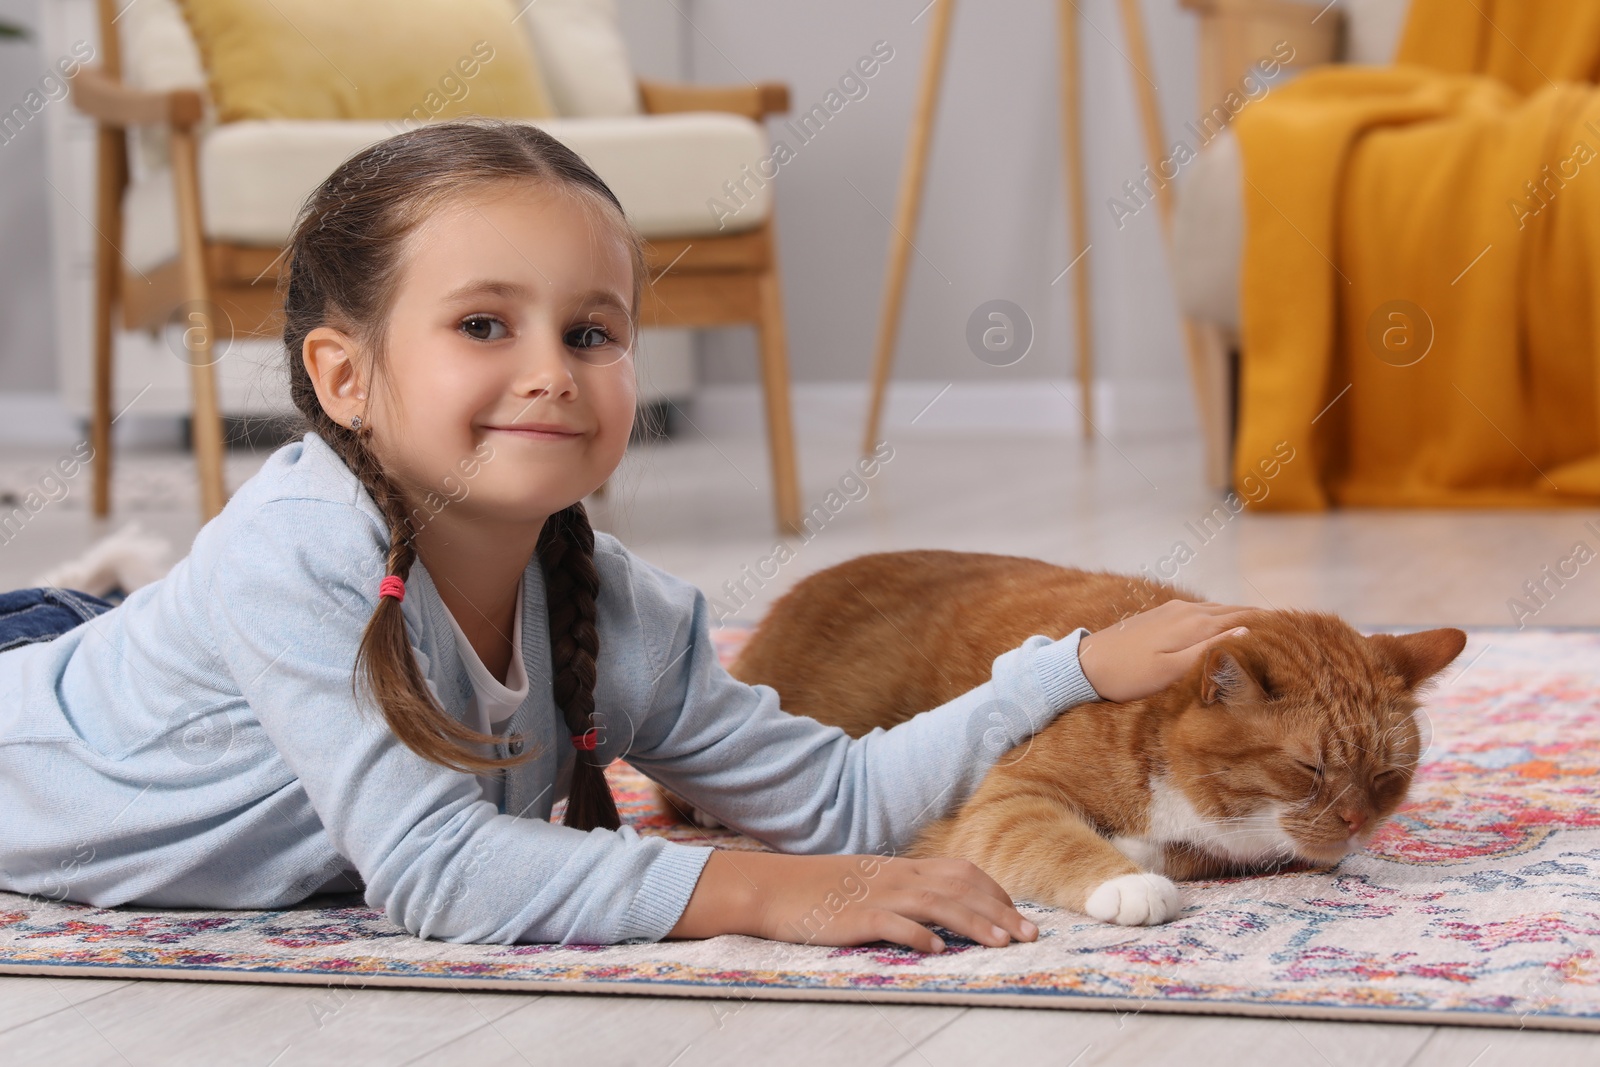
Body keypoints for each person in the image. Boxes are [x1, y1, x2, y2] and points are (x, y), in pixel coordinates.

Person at [0, 121, 1252, 954]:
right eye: (484, 325)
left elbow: (836, 795)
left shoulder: (617, 610)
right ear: (345, 378)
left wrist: (1068, 667)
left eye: (591, 333)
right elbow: (436, 871)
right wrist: (764, 892)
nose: (551, 370)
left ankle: (111, 601)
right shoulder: (296, 546)